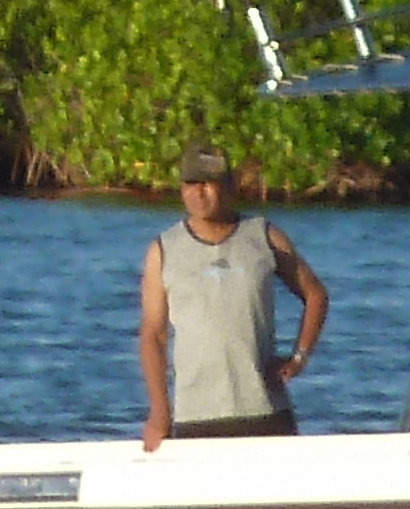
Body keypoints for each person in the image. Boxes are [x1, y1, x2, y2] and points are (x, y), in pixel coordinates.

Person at [139, 145, 328, 450]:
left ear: (229, 185)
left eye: (207, 183)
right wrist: (160, 412)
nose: (199, 193)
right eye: (191, 184)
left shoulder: (263, 236)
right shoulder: (163, 249)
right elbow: (153, 336)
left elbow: (315, 294)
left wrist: (299, 358)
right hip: (196, 417)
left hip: (265, 411)